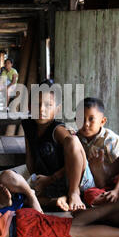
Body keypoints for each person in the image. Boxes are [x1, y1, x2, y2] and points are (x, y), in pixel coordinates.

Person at [22, 80, 96, 212]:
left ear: (57, 109)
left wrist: (51, 179)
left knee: (73, 141)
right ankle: (59, 200)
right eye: (36, 104)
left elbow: (76, 154)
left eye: (48, 105)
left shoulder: (57, 130)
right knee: (26, 199)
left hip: (76, 179)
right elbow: (30, 157)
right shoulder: (28, 125)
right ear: (28, 106)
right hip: (52, 182)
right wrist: (35, 180)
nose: (41, 109)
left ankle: (73, 194)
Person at [76, 97, 119, 206]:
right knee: (90, 194)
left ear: (102, 121)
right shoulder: (76, 139)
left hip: (115, 184)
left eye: (91, 119)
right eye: (81, 119)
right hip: (95, 186)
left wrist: (117, 191)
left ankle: (114, 202)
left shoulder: (111, 141)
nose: (86, 124)